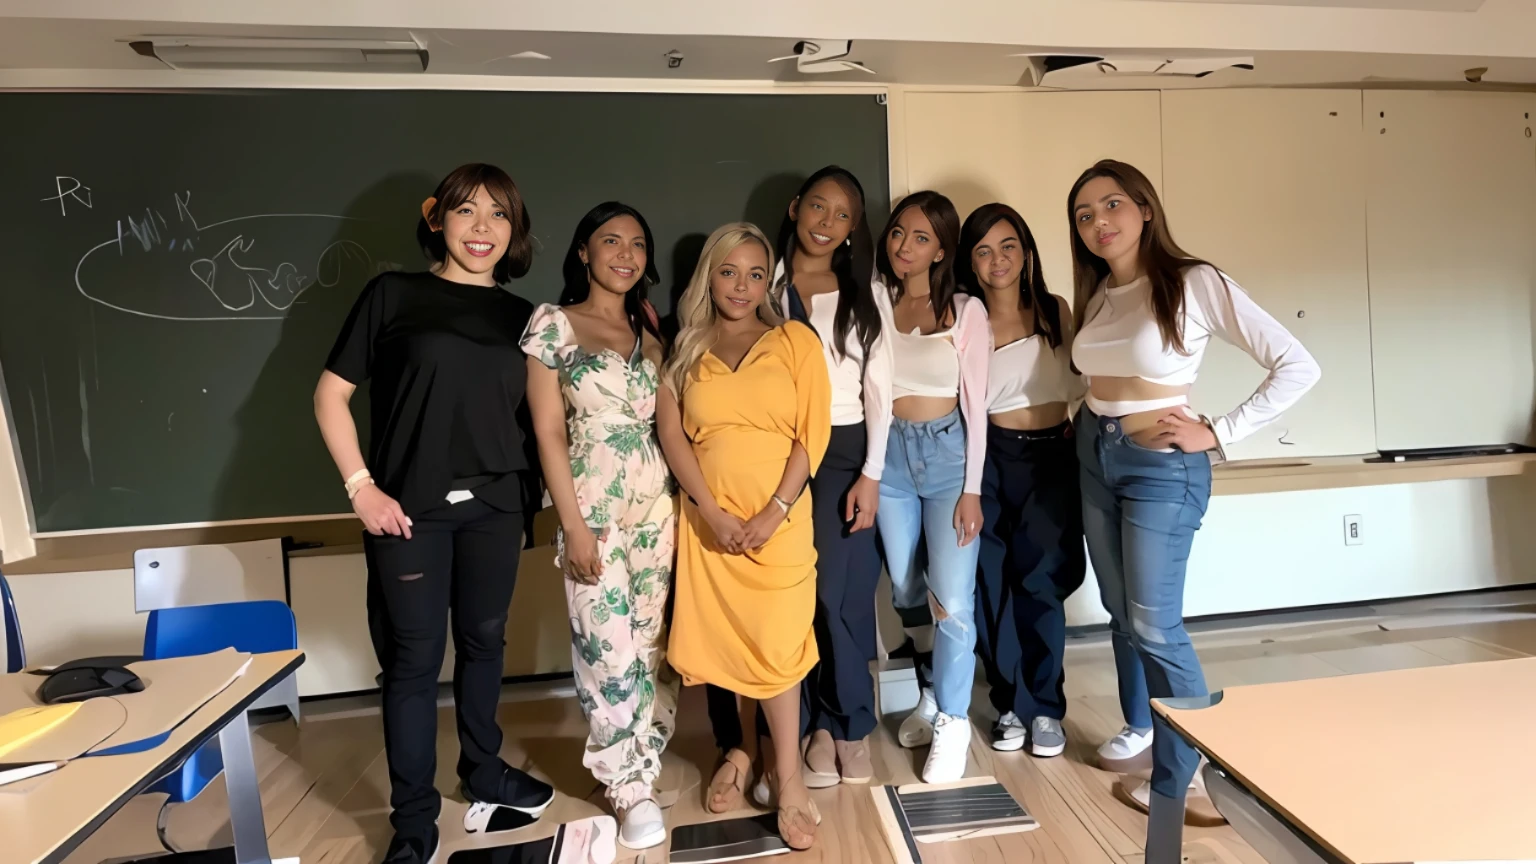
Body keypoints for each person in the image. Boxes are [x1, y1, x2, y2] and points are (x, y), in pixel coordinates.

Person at [314, 163, 554, 864]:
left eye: (499, 215)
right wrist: (361, 487)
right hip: (407, 511)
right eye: (467, 212)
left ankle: (482, 769)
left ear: (515, 231)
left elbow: (540, 422)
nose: (483, 229)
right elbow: (330, 396)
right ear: (436, 219)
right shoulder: (392, 295)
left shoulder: (526, 317)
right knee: (414, 664)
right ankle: (413, 817)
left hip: (496, 508)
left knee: (485, 643)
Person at [1067, 159, 1320, 812]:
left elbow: (1298, 364)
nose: (1099, 222)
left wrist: (1221, 431)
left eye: (1112, 205)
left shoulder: (1193, 282)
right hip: (1096, 455)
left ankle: (1185, 774)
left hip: (1160, 469)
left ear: (1145, 208)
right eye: (1085, 214)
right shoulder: (1098, 293)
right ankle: (1144, 724)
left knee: (1155, 625)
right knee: (1123, 616)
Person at [658, 222, 831, 850]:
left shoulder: (794, 341)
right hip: (710, 522)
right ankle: (739, 750)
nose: (742, 285)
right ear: (710, 275)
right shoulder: (683, 349)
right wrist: (711, 511)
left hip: (779, 520)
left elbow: (811, 435)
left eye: (756, 274)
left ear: (770, 282)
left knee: (780, 644)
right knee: (729, 641)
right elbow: (673, 436)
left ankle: (788, 780)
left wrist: (775, 510)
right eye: (729, 271)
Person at [521, 202, 678, 851]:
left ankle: (641, 750)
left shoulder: (650, 329)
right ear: (583, 252)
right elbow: (548, 429)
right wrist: (573, 524)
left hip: (655, 502)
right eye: (610, 240)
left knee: (644, 642)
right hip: (592, 501)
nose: (625, 253)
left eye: (637, 243)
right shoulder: (553, 324)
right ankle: (627, 785)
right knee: (603, 648)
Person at [760, 166, 891, 787]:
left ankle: (848, 725)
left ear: (852, 228)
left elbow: (880, 391)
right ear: (794, 208)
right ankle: (812, 722)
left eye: (842, 215)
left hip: (844, 451)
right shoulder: (762, 282)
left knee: (839, 593)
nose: (826, 223)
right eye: (817, 207)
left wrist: (871, 473)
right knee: (792, 594)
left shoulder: (866, 289)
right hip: (776, 450)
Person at [959, 203, 1087, 759]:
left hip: (1052, 458)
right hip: (987, 459)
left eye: (1008, 246)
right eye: (983, 250)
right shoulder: (966, 318)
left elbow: (1082, 383)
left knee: (1040, 582)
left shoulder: (1054, 310)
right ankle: (1009, 703)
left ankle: (1045, 707)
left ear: (1027, 250)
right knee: (992, 584)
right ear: (969, 261)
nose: (998, 260)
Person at [875, 191, 991, 784]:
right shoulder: (875, 301)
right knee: (902, 585)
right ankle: (927, 688)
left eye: (921, 238)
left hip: (949, 457)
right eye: (898, 232)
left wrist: (971, 488)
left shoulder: (966, 310)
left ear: (942, 249)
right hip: (891, 454)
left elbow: (978, 405)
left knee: (953, 600)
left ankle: (952, 719)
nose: (904, 246)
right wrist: (873, 470)